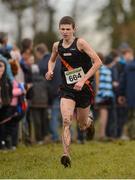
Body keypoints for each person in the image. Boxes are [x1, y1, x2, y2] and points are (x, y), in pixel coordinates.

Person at [46, 16, 102, 167]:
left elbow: (98, 62)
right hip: (67, 88)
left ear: (74, 29)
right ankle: (66, 155)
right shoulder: (57, 46)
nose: (65, 32)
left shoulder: (81, 43)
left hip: (84, 88)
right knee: (66, 120)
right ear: (59, 29)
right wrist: (50, 70)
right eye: (62, 29)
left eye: (68, 29)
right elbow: (51, 60)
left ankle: (89, 123)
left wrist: (83, 80)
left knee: (82, 125)